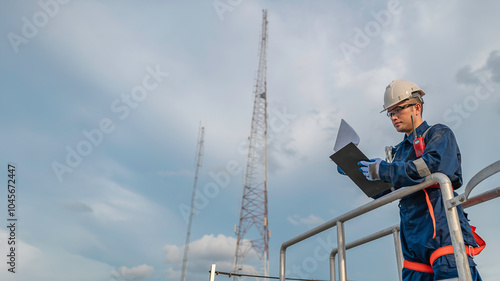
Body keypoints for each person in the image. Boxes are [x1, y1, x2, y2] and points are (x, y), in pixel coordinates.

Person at [355, 80, 483, 280]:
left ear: (417, 107)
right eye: (390, 113)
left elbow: (435, 167)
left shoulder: (438, 134)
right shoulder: (399, 152)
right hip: (413, 239)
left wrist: (385, 169)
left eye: (398, 109)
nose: (393, 117)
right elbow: (386, 190)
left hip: (441, 230)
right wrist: (356, 170)